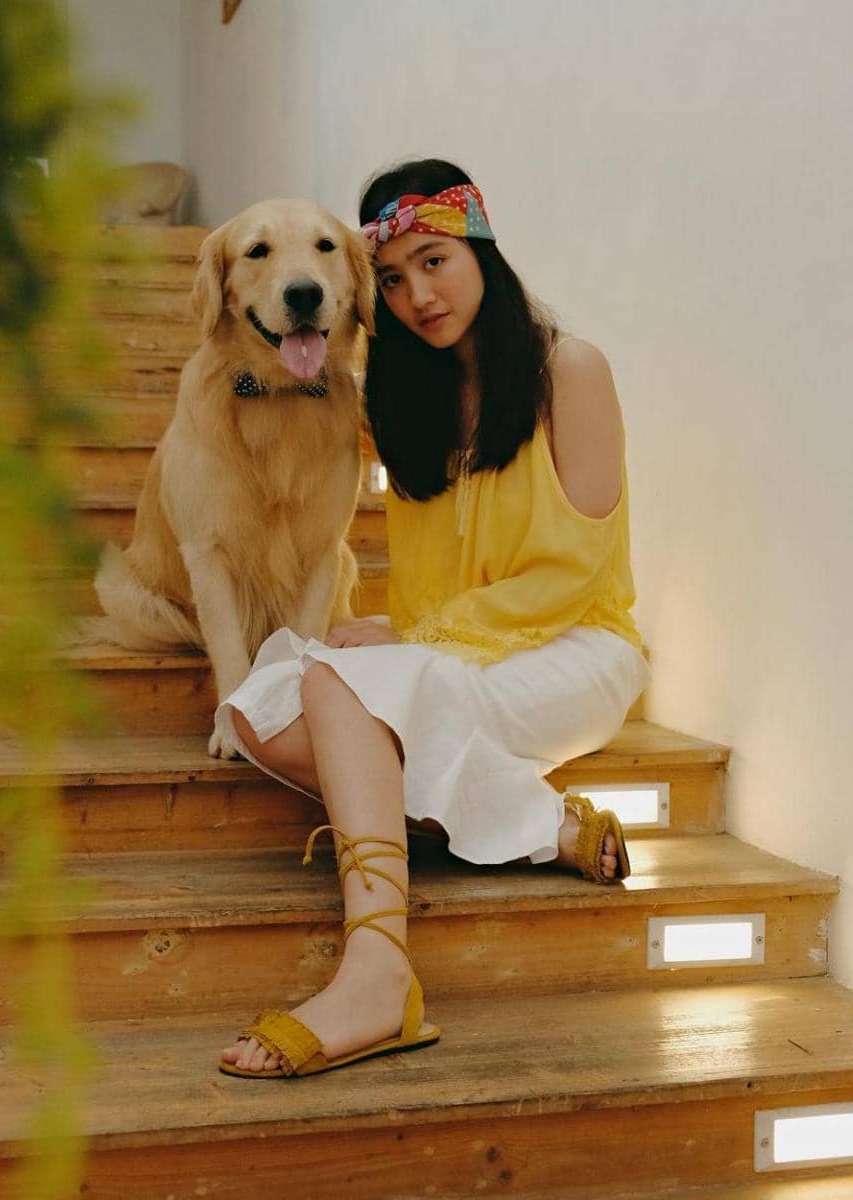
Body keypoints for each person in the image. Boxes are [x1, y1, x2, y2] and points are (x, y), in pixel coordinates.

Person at [216, 159, 651, 1079]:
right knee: (257, 709)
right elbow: (276, 393)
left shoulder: (569, 370)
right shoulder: (403, 394)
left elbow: (570, 574)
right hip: (454, 658)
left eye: (435, 261)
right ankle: (541, 826)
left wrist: (413, 638)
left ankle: (378, 971)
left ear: (481, 248)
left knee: (337, 691)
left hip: (577, 647)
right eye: (393, 278)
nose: (418, 295)